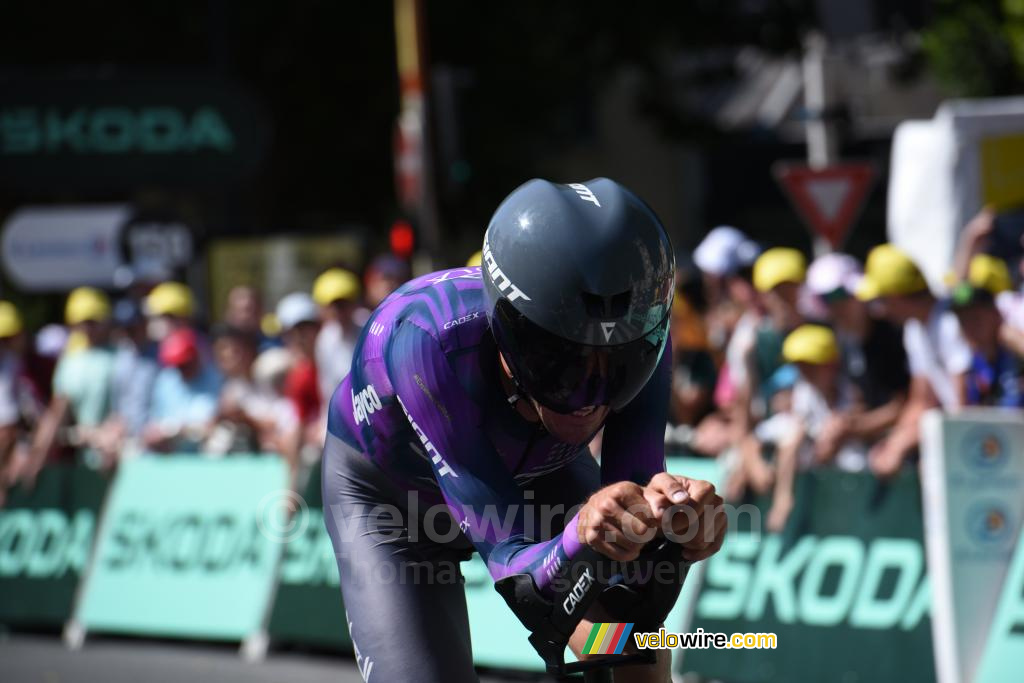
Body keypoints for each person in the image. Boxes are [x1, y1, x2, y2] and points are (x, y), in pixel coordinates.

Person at [322, 178, 726, 683]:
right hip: (393, 500)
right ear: (506, 329)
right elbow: (519, 573)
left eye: (619, 365)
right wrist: (582, 534)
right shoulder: (427, 342)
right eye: (562, 364)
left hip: (540, 470)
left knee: (632, 645)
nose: (592, 396)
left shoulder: (644, 331)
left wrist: (672, 526)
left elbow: (636, 581)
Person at [856, 244, 971, 477]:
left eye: (881, 300)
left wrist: (909, 445)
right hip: (953, 435)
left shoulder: (950, 323)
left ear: (897, 296)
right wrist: (892, 444)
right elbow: (921, 401)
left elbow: (963, 407)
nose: (879, 311)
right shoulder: (914, 330)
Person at [765, 325, 870, 532]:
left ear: (831, 364)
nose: (805, 372)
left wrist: (844, 429)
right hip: (818, 473)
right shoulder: (805, 393)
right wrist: (783, 499)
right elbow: (794, 442)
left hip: (853, 485)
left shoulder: (852, 390)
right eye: (800, 366)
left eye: (811, 365)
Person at [805, 253, 909, 452]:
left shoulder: (891, 334)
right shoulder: (845, 341)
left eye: (840, 295)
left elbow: (906, 404)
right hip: (875, 450)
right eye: (826, 299)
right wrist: (842, 422)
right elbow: (863, 401)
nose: (836, 306)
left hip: (903, 449)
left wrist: (854, 428)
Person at [26, 288, 117, 479]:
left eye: (93, 321)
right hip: (87, 462)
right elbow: (57, 412)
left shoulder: (123, 356)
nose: (88, 328)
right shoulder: (69, 363)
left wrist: (111, 436)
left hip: (122, 458)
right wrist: (36, 460)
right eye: (82, 322)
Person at [949, 255, 1024, 407]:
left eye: (976, 318)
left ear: (996, 314)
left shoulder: (1015, 352)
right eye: (963, 321)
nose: (969, 327)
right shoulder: (973, 362)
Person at [144, 328, 221, 453]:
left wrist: (182, 430)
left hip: (202, 451)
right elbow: (155, 421)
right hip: (169, 451)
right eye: (178, 365)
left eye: (185, 364)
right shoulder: (166, 380)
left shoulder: (215, 378)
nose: (181, 369)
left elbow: (209, 423)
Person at [277, 292, 322, 460]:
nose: (299, 337)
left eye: (304, 329)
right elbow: (299, 426)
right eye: (291, 332)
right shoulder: (299, 376)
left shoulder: (337, 358)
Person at [313, 268, 361, 408]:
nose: (337, 311)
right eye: (332, 306)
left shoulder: (369, 326)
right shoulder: (325, 339)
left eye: (342, 304)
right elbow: (328, 388)